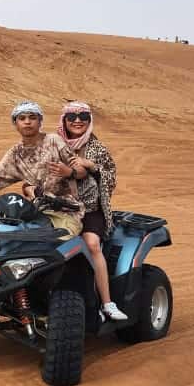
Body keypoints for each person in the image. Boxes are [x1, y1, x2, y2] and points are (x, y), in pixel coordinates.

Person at [0, 101, 88, 238]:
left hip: (66, 212)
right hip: (34, 211)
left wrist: (70, 172)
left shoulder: (54, 141)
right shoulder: (16, 153)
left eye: (32, 117)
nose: (27, 122)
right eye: (22, 118)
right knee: (8, 238)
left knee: (55, 244)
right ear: (15, 124)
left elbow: (82, 171)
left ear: (40, 121)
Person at [48, 100, 127, 322]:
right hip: (58, 209)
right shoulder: (52, 145)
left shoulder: (97, 148)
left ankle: (107, 303)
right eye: (72, 117)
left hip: (90, 210)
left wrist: (92, 166)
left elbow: (111, 177)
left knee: (92, 244)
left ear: (89, 120)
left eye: (83, 117)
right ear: (64, 120)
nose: (77, 121)